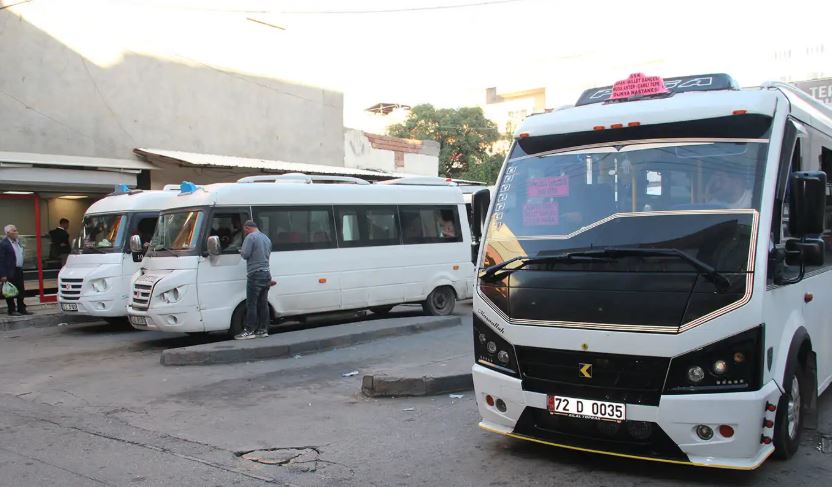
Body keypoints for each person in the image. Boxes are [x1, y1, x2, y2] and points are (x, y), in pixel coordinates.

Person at [235, 220, 275, 340]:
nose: (245, 232)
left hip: (255, 274)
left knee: (251, 304)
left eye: (244, 230)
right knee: (263, 304)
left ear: (247, 228)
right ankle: (263, 330)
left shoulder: (250, 237)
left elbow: (246, 254)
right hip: (266, 273)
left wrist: (240, 251)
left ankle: (249, 330)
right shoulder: (266, 238)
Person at [0, 224, 30, 316]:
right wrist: (3, 275)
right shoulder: (4, 244)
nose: (16, 232)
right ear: (8, 233)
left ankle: (21, 308)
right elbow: (1, 260)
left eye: (16, 230)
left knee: (21, 289)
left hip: (19, 269)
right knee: (10, 291)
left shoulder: (17, 241)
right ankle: (11, 310)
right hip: (9, 271)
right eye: (14, 231)